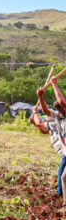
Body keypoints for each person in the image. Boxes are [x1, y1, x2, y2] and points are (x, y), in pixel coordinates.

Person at [35, 83, 66, 211]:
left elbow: (61, 100)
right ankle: (65, 204)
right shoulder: (58, 117)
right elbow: (46, 111)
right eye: (58, 109)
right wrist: (41, 96)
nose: (60, 110)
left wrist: (53, 83)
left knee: (63, 176)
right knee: (64, 177)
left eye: (61, 108)